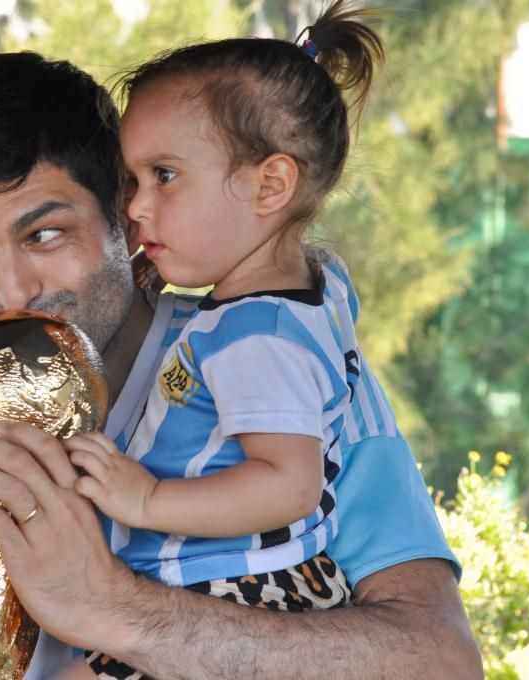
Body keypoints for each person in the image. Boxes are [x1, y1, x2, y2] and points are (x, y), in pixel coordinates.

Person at [0, 50, 482, 679]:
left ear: (129, 218)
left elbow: (440, 663)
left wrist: (115, 608)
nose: (10, 292)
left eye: (45, 234)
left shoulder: (283, 373)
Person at [51, 4, 381, 677]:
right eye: (133, 181)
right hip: (254, 581)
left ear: (271, 185)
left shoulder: (254, 338)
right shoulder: (313, 283)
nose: (136, 206)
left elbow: (289, 483)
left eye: (165, 176)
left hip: (230, 587)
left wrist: (146, 501)